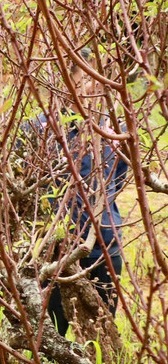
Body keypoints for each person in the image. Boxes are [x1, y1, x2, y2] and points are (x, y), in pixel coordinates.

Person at [24, 55, 129, 337]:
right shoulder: (37, 131)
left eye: (100, 79)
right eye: (87, 78)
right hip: (53, 251)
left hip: (103, 248)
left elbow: (116, 180)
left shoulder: (114, 134)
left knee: (103, 333)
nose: (94, 87)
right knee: (52, 334)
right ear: (69, 81)